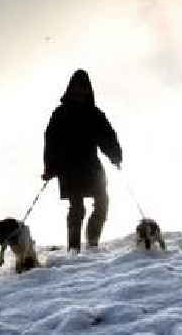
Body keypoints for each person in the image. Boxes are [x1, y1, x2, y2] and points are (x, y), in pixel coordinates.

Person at [42, 69, 122, 253]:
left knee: (102, 202)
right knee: (76, 207)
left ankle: (92, 241)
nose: (80, 92)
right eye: (76, 88)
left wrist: (115, 155)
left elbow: (107, 136)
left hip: (91, 166)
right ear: (70, 89)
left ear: (88, 90)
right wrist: (50, 166)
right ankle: (74, 248)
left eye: (83, 88)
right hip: (68, 167)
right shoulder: (60, 113)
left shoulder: (94, 114)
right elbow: (51, 141)